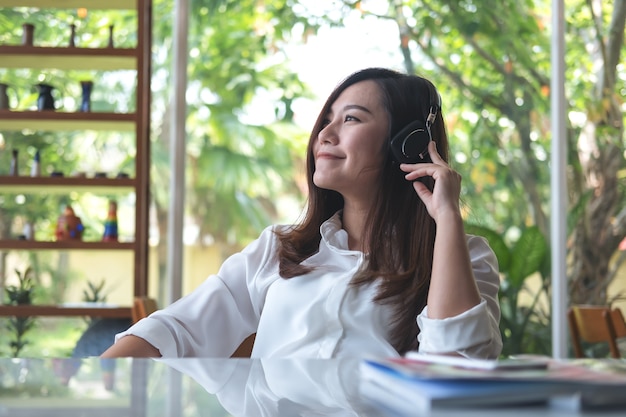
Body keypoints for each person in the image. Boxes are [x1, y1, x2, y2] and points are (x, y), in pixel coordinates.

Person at [101, 67, 502, 359]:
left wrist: (446, 216)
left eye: (351, 119)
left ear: (408, 143)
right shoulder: (280, 248)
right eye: (326, 120)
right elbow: (177, 328)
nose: (324, 135)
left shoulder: (464, 257)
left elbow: (457, 366)